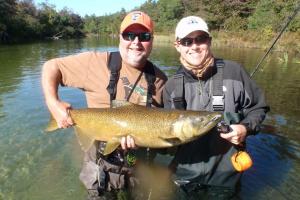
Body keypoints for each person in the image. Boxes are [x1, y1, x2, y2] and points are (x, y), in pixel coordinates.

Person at [42, 11, 167, 199]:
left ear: (152, 40)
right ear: (120, 37)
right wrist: (53, 102)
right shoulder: (96, 63)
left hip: (137, 168)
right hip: (99, 168)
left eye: (144, 36)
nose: (136, 42)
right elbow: (51, 66)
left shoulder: (159, 80)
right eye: (129, 35)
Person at [163, 16, 269, 199]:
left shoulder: (235, 72)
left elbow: (258, 108)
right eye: (187, 41)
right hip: (184, 177)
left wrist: (245, 128)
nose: (194, 46)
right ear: (177, 46)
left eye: (200, 39)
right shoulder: (171, 86)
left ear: (209, 41)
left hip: (225, 179)